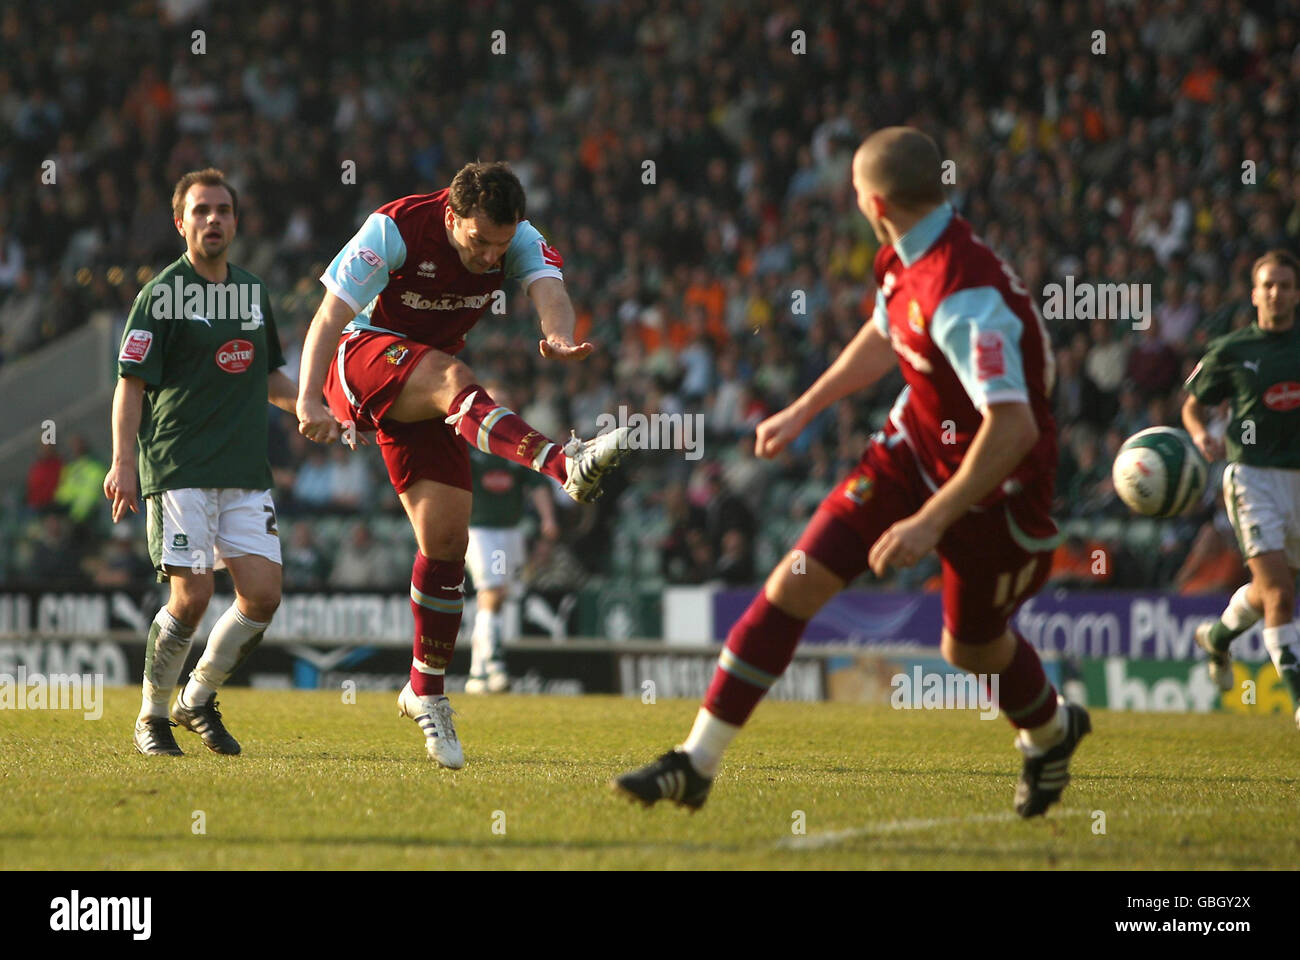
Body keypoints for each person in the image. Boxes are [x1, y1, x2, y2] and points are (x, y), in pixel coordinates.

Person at [615, 127, 1089, 817]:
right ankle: (696, 763)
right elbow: (886, 332)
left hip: (996, 492)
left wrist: (931, 521)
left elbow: (1013, 427)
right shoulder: (907, 256)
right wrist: (803, 409)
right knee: (792, 585)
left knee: (971, 650)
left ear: (872, 202)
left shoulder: (964, 295)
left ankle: (1050, 734)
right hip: (907, 453)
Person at [294, 161, 630, 767]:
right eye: (479, 242)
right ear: (452, 216)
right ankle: (562, 464)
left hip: (425, 389)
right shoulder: (394, 228)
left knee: (446, 540)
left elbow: (550, 290)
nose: (489, 257)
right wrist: (307, 397)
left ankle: (425, 689)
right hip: (361, 355)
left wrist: (557, 336)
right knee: (455, 377)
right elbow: (328, 316)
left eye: (501, 245)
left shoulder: (516, 238)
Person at [104, 168, 297, 757]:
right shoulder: (160, 294)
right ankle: (151, 716)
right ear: (180, 221)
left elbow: (269, 378)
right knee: (191, 597)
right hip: (179, 466)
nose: (213, 220)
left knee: (263, 595)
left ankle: (196, 698)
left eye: (223, 210)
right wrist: (123, 463)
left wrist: (318, 409)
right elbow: (131, 383)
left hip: (243, 470)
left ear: (236, 221)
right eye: (201, 210)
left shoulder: (252, 291)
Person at [1185, 249, 1300, 728]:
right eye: (1268, 285)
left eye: (1285, 285)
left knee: (1276, 588)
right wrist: (1200, 434)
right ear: (1254, 294)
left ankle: (1216, 637)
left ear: (1297, 293)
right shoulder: (1232, 349)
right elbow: (1192, 403)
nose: (1276, 293)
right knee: (1279, 592)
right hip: (1250, 475)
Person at [464, 383, 560, 693]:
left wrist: (547, 518)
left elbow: (536, 485)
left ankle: (478, 674)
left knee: (496, 598)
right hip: (480, 529)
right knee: (492, 592)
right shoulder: (470, 442)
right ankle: (495, 664)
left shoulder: (516, 444)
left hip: (510, 531)